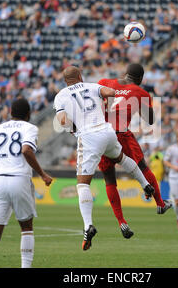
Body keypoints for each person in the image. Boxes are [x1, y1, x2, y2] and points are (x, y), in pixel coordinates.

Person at [53, 66, 154, 250]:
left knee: (83, 184)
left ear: (65, 80)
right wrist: (106, 104)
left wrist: (71, 127)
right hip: (107, 131)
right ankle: (144, 184)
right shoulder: (92, 86)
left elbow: (61, 120)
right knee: (122, 158)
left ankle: (88, 226)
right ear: (80, 76)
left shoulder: (61, 95)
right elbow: (111, 92)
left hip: (88, 137)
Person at [0, 98, 53, 268]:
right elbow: (26, 150)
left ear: (10, 112)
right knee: (26, 228)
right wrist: (43, 174)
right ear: (29, 114)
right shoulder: (30, 128)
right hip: (19, 179)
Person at [97, 64, 172, 238]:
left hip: (100, 135)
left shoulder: (104, 82)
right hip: (121, 134)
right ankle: (160, 203)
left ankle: (122, 222)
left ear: (125, 73)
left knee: (109, 179)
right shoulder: (140, 93)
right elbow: (150, 120)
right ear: (140, 79)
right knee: (143, 167)